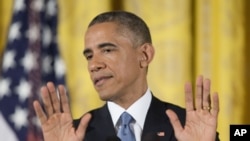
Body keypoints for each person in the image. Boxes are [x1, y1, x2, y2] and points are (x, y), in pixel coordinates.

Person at [33, 11, 220, 141]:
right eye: (89, 56)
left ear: (144, 55)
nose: (93, 65)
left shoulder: (189, 126)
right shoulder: (75, 134)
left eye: (107, 50)